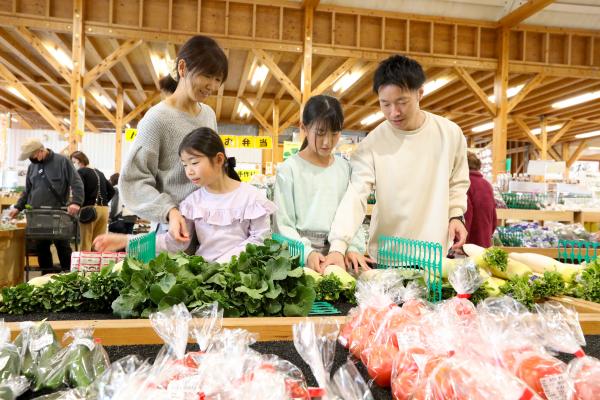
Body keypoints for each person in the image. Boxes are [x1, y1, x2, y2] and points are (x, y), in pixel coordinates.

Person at [324, 55, 470, 267]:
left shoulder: (449, 133)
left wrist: (456, 215)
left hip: (433, 255)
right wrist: (338, 245)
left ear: (420, 93)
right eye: (385, 104)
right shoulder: (372, 144)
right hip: (386, 256)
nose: (394, 112)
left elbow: (457, 182)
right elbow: (356, 195)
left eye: (402, 102)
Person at [94, 128, 276, 263]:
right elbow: (175, 243)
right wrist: (125, 240)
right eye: (185, 165)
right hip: (205, 278)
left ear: (219, 159)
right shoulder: (192, 203)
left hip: (245, 276)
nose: (189, 171)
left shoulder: (252, 198)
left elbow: (260, 240)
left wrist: (224, 263)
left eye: (194, 162)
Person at [120, 35, 228, 246]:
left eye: (218, 79)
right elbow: (134, 179)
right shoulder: (157, 119)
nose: (212, 86)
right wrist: (169, 210)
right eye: (207, 75)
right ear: (182, 68)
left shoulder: (208, 115)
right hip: (175, 229)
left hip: (210, 228)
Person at [273, 95, 369, 274]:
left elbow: (352, 213)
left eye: (334, 133)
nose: (327, 142)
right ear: (304, 128)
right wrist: (307, 253)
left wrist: (353, 247)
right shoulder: (289, 169)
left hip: (339, 253)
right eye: (320, 133)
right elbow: (283, 224)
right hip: (301, 256)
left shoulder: (345, 168)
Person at [9, 139, 84, 271]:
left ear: (40, 151)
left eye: (32, 156)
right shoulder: (32, 167)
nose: (31, 159)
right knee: (41, 248)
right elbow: (28, 190)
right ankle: (45, 279)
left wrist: (76, 202)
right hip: (38, 216)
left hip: (59, 216)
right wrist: (18, 207)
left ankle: (70, 279)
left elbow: (77, 183)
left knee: (63, 247)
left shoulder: (62, 161)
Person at [70, 151, 114, 251]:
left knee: (86, 242)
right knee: (98, 244)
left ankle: (84, 266)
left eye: (74, 162)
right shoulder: (100, 173)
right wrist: (104, 202)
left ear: (80, 161)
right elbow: (112, 191)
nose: (73, 165)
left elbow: (79, 190)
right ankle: (97, 266)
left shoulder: (81, 172)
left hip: (88, 210)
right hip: (104, 210)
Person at [464, 152, 496, 248]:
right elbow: (493, 217)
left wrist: (460, 243)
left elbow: (466, 216)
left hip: (468, 246)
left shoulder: (465, 184)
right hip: (484, 243)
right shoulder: (487, 184)